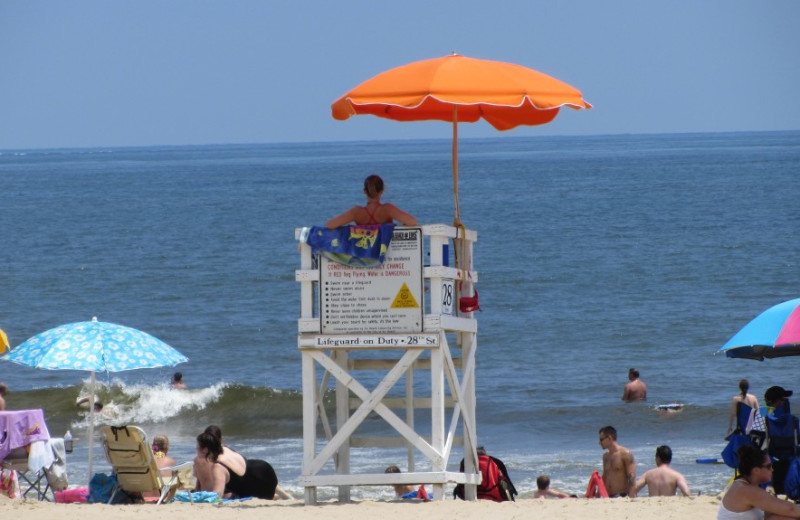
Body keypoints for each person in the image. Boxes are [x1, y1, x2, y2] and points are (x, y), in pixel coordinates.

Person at [201, 425, 293, 500]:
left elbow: (217, 494)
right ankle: (288, 497)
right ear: (221, 439)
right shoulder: (228, 449)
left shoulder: (216, 463)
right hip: (264, 468)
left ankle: (277, 496)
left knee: (249, 487)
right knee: (258, 482)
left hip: (254, 484)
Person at [718, 444, 800, 520]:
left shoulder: (744, 485)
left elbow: (772, 513)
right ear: (756, 470)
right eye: (769, 466)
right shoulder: (747, 490)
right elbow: (791, 509)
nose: (772, 469)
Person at [325, 174, 418, 229]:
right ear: (382, 191)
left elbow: (330, 225)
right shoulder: (387, 209)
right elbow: (412, 221)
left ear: (364, 191)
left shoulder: (356, 212)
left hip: (363, 256)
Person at [599, 426, 636, 497]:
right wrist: (599, 494)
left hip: (621, 495)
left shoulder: (625, 454)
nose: (599, 443)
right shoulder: (605, 456)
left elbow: (631, 478)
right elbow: (605, 476)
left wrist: (631, 498)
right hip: (607, 496)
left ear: (609, 438)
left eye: (601, 439)